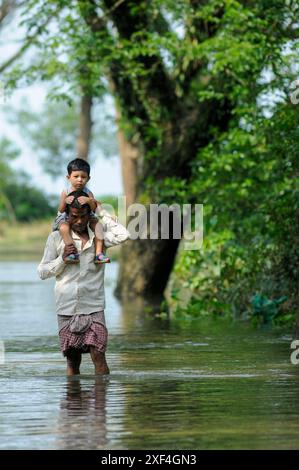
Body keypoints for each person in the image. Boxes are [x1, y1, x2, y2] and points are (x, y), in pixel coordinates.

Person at [38, 191, 117, 375]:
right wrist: (62, 260)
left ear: (90, 216)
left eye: (84, 216)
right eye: (74, 217)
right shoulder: (56, 238)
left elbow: (124, 234)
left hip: (94, 306)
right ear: (67, 216)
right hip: (66, 308)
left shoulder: (100, 237)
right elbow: (42, 272)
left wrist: (99, 209)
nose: (79, 221)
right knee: (73, 362)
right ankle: (73, 403)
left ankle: (101, 401)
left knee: (99, 356)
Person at [53, 158, 110, 264]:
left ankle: (99, 254)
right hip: (67, 217)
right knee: (64, 228)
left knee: (98, 227)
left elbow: (93, 208)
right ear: (68, 177)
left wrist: (89, 200)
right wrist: (65, 201)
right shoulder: (65, 192)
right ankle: (71, 252)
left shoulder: (88, 192)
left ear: (88, 178)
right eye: (76, 176)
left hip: (87, 216)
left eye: (83, 177)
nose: (79, 180)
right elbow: (60, 210)